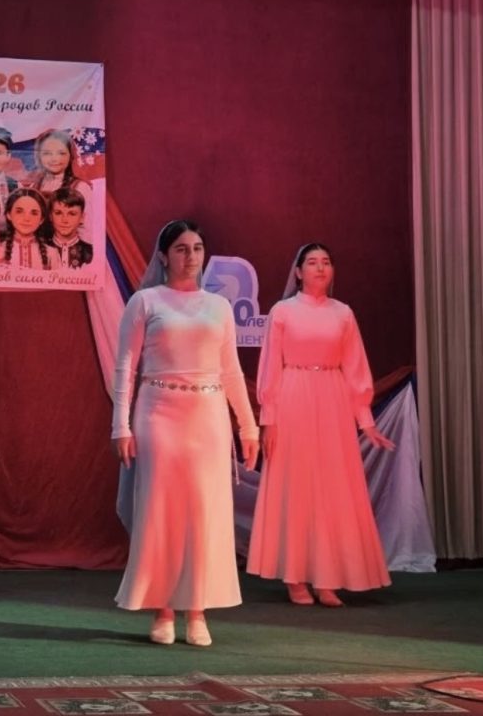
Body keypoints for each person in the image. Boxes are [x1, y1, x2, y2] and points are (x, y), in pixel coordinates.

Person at [112, 220, 259, 647]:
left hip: (208, 417)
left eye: (196, 248)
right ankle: (162, 609)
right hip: (158, 413)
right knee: (161, 511)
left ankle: (196, 610)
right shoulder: (145, 301)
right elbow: (125, 366)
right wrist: (120, 425)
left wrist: (248, 426)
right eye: (180, 248)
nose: (190, 256)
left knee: (204, 512)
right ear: (163, 256)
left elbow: (231, 370)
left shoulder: (218, 306)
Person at [247, 243, 393, 606]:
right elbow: (270, 368)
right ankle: (295, 576)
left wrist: (366, 420)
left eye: (326, 262)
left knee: (331, 487)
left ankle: (327, 576)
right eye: (312, 262)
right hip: (293, 398)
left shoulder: (343, 313)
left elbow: (355, 367)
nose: (320, 268)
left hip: (332, 400)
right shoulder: (283, 311)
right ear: (298, 272)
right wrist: (269, 420)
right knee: (296, 486)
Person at [27, 128, 92, 206]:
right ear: (38, 156)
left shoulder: (80, 187)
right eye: (47, 153)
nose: (54, 159)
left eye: (61, 153)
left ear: (70, 156)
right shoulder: (33, 187)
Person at [2, 188, 59, 270]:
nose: (26, 219)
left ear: (41, 219)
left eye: (34, 213)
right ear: (9, 215)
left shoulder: (52, 254)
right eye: (19, 211)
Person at [46, 187, 94, 269]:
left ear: (82, 218)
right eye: (58, 213)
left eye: (72, 214)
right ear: (50, 216)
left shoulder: (91, 252)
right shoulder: (38, 249)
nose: (64, 220)